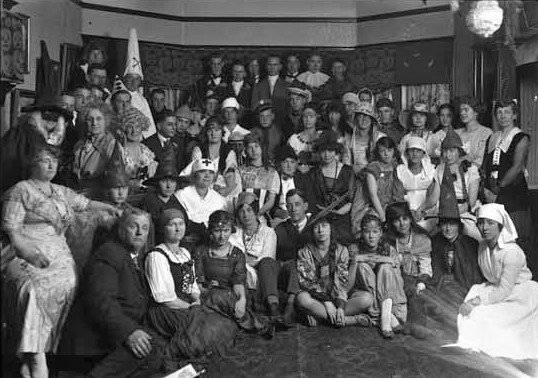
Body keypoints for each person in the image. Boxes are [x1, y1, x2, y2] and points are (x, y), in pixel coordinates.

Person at [2, 143, 118, 378]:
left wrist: (111, 208)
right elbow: (11, 231)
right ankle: (36, 358)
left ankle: (34, 357)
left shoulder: (60, 191)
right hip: (27, 251)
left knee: (69, 284)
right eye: (45, 160)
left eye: (54, 161)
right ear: (32, 163)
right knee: (32, 290)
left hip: (60, 256)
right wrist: (28, 252)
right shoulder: (20, 190)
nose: (51, 165)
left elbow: (85, 204)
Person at [58, 209, 168, 377]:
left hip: (111, 333)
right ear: (121, 229)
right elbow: (101, 301)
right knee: (149, 348)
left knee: (157, 347)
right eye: (134, 226)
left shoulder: (133, 257)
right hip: (93, 340)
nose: (140, 232)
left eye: (145, 228)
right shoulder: (109, 252)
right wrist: (129, 332)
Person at [145, 208, 237, 359]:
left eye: (180, 224)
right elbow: (165, 299)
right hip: (167, 310)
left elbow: (191, 285)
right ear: (163, 229)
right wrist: (191, 307)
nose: (177, 228)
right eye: (172, 224)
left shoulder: (184, 253)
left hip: (187, 304)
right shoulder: (157, 256)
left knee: (223, 323)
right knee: (205, 328)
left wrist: (196, 300)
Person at [450, 204, 538, 359]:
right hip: (494, 288)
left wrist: (476, 301)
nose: (484, 228)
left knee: (481, 313)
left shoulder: (512, 253)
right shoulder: (483, 246)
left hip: (521, 295)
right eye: (481, 223)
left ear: (500, 226)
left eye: (490, 223)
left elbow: (505, 290)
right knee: (468, 309)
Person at [195, 210, 274, 338]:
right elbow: (198, 282)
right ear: (210, 232)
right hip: (208, 293)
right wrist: (209, 289)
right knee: (215, 297)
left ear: (230, 231)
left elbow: (238, 282)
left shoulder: (237, 254)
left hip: (232, 295)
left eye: (225, 231)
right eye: (217, 231)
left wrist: (242, 300)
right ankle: (253, 324)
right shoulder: (201, 252)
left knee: (224, 298)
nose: (222, 236)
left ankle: (242, 321)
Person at [296, 216, 373, 328]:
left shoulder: (341, 250)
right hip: (317, 299)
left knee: (367, 299)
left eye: (324, 226)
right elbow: (308, 282)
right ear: (312, 231)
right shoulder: (304, 252)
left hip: (337, 297)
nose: (320, 230)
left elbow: (342, 283)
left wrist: (340, 307)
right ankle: (348, 320)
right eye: (316, 227)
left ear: (331, 228)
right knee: (302, 298)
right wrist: (326, 302)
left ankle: (321, 316)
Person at [427, 189, 483, 332]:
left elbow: (473, 274)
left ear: (459, 225)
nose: (447, 228)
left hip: (463, 285)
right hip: (441, 284)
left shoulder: (471, 244)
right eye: (444, 224)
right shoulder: (435, 242)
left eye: (452, 224)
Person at [481, 100, 532, 253]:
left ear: (514, 115)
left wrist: (498, 190)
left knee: (513, 236)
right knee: (493, 236)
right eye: (499, 112)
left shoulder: (521, 137)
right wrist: (486, 188)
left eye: (507, 112)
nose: (503, 116)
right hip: (491, 191)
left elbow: (517, 167)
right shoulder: (492, 137)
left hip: (512, 192)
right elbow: (486, 165)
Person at [348, 215, 407, 339]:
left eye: (375, 232)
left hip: (393, 301)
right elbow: (348, 284)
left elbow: (399, 282)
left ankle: (385, 318)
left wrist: (387, 261)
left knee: (386, 267)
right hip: (366, 298)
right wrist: (356, 260)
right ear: (361, 233)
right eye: (367, 232)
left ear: (380, 233)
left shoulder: (389, 249)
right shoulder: (355, 249)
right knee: (362, 266)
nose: (371, 236)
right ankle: (386, 318)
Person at [385, 202, 436, 339]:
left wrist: (421, 282)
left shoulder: (421, 239)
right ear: (391, 223)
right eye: (397, 220)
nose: (402, 224)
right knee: (407, 291)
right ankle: (412, 325)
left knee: (418, 293)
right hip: (396, 280)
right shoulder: (388, 242)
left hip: (416, 279)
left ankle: (415, 324)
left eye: (405, 219)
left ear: (410, 219)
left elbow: (425, 267)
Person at [229, 193, 282, 324]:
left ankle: (273, 306)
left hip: (266, 271)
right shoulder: (234, 233)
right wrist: (246, 261)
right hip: (244, 272)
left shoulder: (268, 232)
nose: (245, 215)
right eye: (241, 211)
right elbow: (233, 255)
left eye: (249, 210)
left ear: (256, 211)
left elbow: (268, 255)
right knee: (239, 267)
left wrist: (247, 259)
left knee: (266, 263)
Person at [432, 129, 481, 241]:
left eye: (452, 150)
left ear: (459, 151)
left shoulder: (471, 170)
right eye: (445, 151)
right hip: (444, 210)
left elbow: (471, 201)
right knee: (428, 231)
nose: (448, 155)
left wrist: (453, 215)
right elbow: (434, 197)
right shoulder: (440, 169)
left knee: (473, 233)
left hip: (464, 210)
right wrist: (421, 208)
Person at [309, 130, 356, 245]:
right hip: (320, 217)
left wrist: (339, 212)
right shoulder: (313, 173)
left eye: (330, 150)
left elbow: (351, 200)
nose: (326, 155)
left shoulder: (347, 171)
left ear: (336, 151)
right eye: (323, 151)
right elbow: (312, 199)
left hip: (343, 218)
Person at [351, 136, 405, 235]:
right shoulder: (373, 168)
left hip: (390, 205)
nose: (386, 154)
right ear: (378, 152)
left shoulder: (396, 167)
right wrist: (383, 216)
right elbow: (373, 195)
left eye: (389, 150)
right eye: (382, 151)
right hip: (372, 206)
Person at [274, 189, 312, 324]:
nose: (293, 209)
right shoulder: (280, 229)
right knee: (293, 264)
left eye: (297, 204)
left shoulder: (315, 226)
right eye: (289, 205)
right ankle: (290, 305)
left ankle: (292, 305)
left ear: (305, 206)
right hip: (287, 273)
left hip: (310, 275)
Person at [184, 116, 240, 204]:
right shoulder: (199, 150)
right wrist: (212, 188)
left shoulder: (228, 151)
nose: (214, 134)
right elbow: (197, 174)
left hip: (223, 189)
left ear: (222, 132)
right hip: (202, 187)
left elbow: (230, 173)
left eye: (217, 130)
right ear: (206, 132)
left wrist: (227, 189)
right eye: (210, 130)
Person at [72, 102, 125, 193]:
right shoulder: (79, 144)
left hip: (100, 193)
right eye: (90, 119)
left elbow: (116, 177)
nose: (94, 123)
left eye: (99, 119)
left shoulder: (112, 144)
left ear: (106, 121)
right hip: (79, 192)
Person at [175, 159, 227, 244]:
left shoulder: (219, 200)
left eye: (211, 172)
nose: (207, 176)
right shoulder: (181, 195)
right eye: (202, 172)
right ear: (194, 175)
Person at [396, 136, 439, 232]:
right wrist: (408, 211)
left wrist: (423, 211)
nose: (415, 154)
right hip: (405, 207)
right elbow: (398, 194)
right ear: (407, 152)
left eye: (418, 151)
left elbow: (433, 195)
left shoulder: (431, 170)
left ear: (423, 153)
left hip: (427, 208)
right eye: (412, 150)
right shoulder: (399, 170)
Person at [121, 28, 156, 139]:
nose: (133, 81)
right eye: (130, 77)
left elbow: (149, 129)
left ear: (140, 81)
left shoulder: (142, 101)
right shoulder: (117, 96)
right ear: (125, 79)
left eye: (136, 79)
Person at [238, 133, 280, 220]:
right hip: (242, 216)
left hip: (262, 217)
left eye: (256, 146)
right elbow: (236, 197)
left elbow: (271, 201)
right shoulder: (240, 171)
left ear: (262, 148)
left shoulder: (272, 172)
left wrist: (257, 214)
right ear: (245, 150)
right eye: (250, 147)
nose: (254, 150)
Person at [342, 101, 386, 174]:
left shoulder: (380, 137)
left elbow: (386, 161)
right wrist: (352, 169)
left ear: (372, 120)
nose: (364, 119)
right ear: (356, 118)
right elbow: (346, 164)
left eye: (367, 116)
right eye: (361, 115)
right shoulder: (348, 140)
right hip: (356, 177)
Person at [251, 55, 290, 126]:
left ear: (280, 66)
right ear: (266, 66)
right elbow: (254, 107)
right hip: (262, 123)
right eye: (269, 64)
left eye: (275, 65)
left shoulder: (287, 86)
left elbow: (288, 107)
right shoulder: (258, 86)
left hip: (282, 123)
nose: (272, 67)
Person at [455, 97, 492, 168]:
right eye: (461, 110)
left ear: (476, 111)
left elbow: (481, 160)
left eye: (466, 110)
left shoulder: (486, 133)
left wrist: (461, 160)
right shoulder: (456, 133)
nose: (462, 113)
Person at [250, 99, 285, 165]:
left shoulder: (279, 132)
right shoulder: (252, 133)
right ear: (258, 117)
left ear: (272, 116)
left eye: (268, 116)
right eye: (262, 116)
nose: (265, 119)